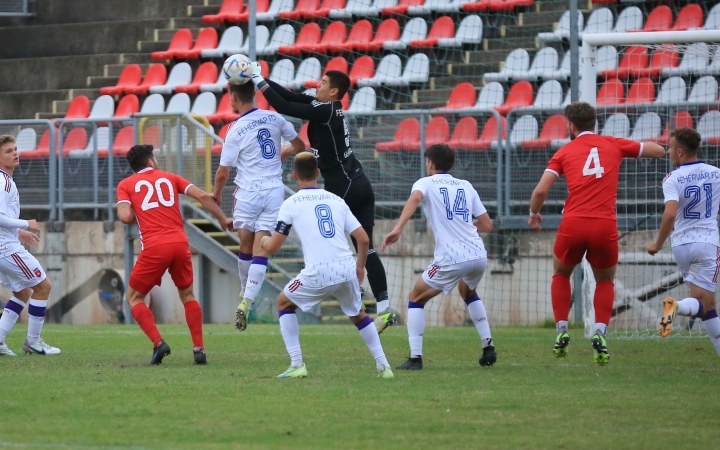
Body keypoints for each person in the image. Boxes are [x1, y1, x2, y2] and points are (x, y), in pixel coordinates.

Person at [250, 65, 397, 333]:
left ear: (334, 91)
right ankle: (385, 309)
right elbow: (291, 96)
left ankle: (351, 290)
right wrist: (257, 75)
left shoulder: (326, 110)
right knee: (367, 245)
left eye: (324, 82)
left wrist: (257, 79)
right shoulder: (325, 107)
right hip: (360, 182)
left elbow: (284, 105)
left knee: (328, 238)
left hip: (343, 185)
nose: (318, 84)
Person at [528, 102, 665, 365]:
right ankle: (600, 332)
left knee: (561, 273)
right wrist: (664, 147)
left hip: (574, 223)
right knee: (605, 280)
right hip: (604, 224)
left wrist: (534, 213)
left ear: (571, 125)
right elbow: (653, 150)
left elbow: (540, 192)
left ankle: (561, 330)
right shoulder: (614, 144)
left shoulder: (565, 152)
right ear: (595, 123)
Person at [260, 153, 393, 379]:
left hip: (319, 271)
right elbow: (363, 239)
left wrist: (263, 240)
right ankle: (384, 367)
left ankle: (297, 364)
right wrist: (360, 266)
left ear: (294, 176)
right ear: (319, 173)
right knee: (359, 315)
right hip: (346, 267)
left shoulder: (290, 204)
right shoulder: (337, 200)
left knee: (283, 303)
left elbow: (272, 247)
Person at [382, 144, 496, 370]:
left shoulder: (425, 182)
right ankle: (488, 347)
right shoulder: (466, 186)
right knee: (468, 291)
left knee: (415, 298)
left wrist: (397, 228)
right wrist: (462, 227)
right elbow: (487, 225)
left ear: (430, 163)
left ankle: (415, 358)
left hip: (451, 257)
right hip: (478, 254)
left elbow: (415, 198)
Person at [117, 144, 233, 365]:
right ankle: (199, 349)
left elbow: (124, 217)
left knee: (134, 298)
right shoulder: (171, 177)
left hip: (154, 246)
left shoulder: (125, 185)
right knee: (188, 295)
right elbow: (202, 196)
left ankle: (159, 344)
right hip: (180, 242)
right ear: (150, 162)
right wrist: (222, 218)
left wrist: (137, 211)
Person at [211, 81, 305, 332]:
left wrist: (216, 194)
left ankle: (244, 291)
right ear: (254, 94)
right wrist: (287, 148)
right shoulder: (274, 118)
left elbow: (222, 172)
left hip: (248, 193)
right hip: (273, 191)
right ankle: (247, 300)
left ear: (233, 98)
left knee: (245, 246)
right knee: (261, 247)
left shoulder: (235, 129)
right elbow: (300, 146)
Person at [647, 127, 720, 356]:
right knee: (703, 303)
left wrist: (658, 244)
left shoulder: (672, 178)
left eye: (669, 148)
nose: (668, 151)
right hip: (707, 243)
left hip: (681, 245)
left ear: (680, 152)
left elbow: (670, 214)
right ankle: (676, 306)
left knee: (707, 306)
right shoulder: (716, 173)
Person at [0, 135, 59, 357]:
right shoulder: (3, 182)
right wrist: (27, 223)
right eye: (8, 151)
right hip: (5, 248)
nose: (15, 153)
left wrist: (19, 231)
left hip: (5, 244)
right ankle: (33, 342)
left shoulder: (5, 180)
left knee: (23, 292)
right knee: (43, 287)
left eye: (15, 149)